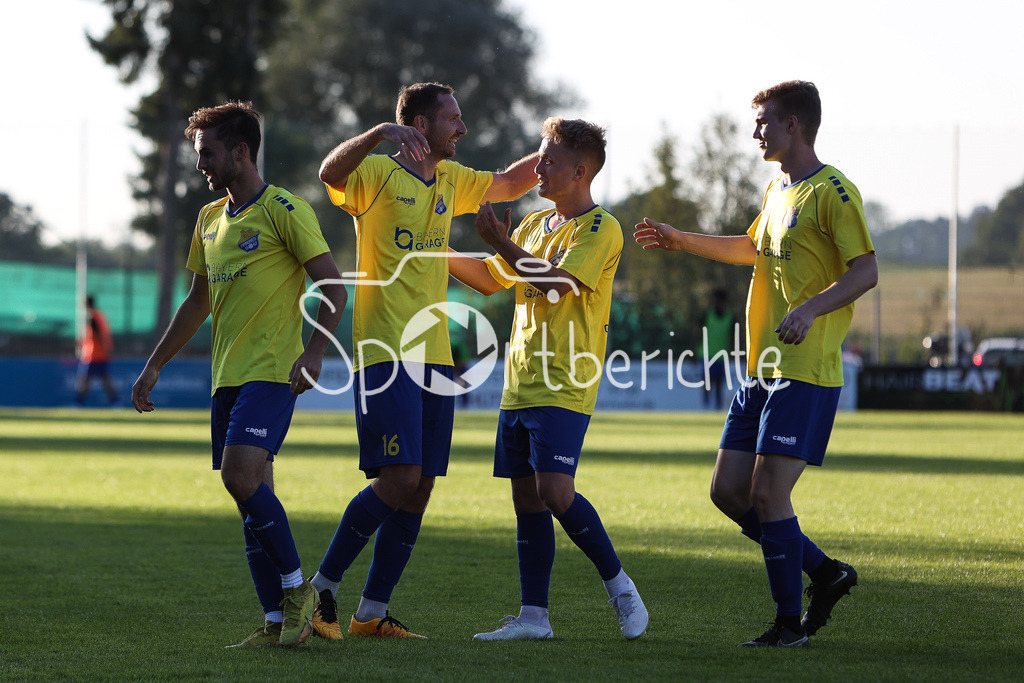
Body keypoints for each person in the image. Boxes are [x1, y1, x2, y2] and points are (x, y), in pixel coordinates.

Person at [634, 81, 877, 647]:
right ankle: (824, 572)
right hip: (760, 370)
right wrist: (679, 239)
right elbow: (751, 248)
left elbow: (865, 271)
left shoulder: (834, 192)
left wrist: (813, 309)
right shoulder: (777, 189)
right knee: (727, 492)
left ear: (794, 124)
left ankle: (788, 626)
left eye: (765, 121)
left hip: (804, 369)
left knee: (768, 495)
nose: (756, 131)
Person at [307, 82, 539, 640]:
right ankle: (320, 591)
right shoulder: (378, 173)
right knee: (398, 479)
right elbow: (330, 176)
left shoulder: (453, 179)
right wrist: (380, 133)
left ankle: (370, 614)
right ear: (418, 123)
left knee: (422, 485)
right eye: (452, 119)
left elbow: (509, 183)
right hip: (386, 349)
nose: (461, 128)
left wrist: (556, 147)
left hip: (436, 355)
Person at [130, 101, 347, 649]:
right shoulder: (208, 219)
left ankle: (301, 592)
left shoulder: (285, 210)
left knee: (239, 478)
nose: (201, 164)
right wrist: (154, 364)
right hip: (226, 378)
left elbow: (333, 286)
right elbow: (197, 302)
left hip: (273, 372)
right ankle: (277, 624)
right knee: (249, 498)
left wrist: (316, 352)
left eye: (207, 153)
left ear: (240, 151)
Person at [448, 117, 648, 641]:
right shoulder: (534, 226)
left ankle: (621, 587)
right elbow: (491, 280)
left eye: (548, 160)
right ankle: (534, 617)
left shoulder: (601, 227)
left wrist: (499, 240)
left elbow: (558, 284)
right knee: (527, 499)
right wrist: (430, 253)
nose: (537, 167)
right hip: (519, 381)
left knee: (557, 492)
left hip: (566, 379)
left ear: (580, 171)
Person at [75, 295, 119, 406]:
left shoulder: (93, 318)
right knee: (103, 379)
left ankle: (78, 403)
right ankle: (115, 402)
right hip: (99, 354)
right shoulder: (99, 316)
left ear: (86, 304)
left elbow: (98, 335)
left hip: (93, 355)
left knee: (86, 379)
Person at [701, 287, 736, 411]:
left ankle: (717, 408)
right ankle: (706, 407)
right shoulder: (707, 315)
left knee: (719, 383)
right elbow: (697, 333)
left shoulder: (729, 318)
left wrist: (736, 352)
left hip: (722, 356)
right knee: (707, 382)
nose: (717, 303)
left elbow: (734, 337)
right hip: (706, 354)